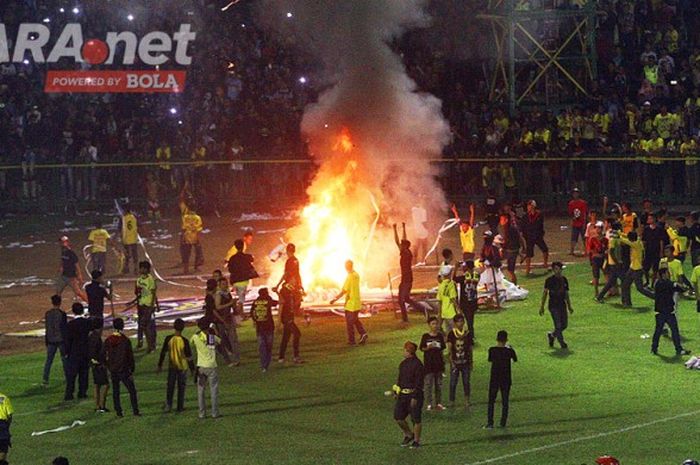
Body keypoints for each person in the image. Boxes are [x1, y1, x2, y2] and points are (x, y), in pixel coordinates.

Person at [103, 318, 140, 417]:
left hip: (113, 369)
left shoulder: (108, 340)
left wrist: (108, 366)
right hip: (123, 369)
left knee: (116, 391)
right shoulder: (125, 340)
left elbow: (103, 355)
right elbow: (130, 356)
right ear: (122, 326)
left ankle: (118, 411)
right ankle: (135, 411)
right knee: (132, 391)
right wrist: (131, 369)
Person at [273, 243, 304, 363]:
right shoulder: (286, 290)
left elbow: (295, 307)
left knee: (286, 336)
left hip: (289, 316)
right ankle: (296, 357)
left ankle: (281, 357)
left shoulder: (291, 289)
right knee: (297, 334)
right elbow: (282, 304)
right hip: (287, 318)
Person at [651, 267, 691, 356]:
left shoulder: (657, 284)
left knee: (658, 331)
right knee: (674, 331)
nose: (669, 274)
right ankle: (679, 349)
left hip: (659, 312)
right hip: (668, 312)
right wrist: (685, 288)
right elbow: (678, 288)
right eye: (667, 273)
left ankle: (654, 348)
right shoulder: (668, 284)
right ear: (664, 274)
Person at [157, 318, 195, 413]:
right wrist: (193, 369)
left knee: (170, 386)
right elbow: (189, 357)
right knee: (181, 387)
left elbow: (163, 353)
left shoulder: (168, 339)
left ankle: (168, 405)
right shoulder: (184, 341)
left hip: (172, 366)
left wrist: (160, 365)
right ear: (183, 328)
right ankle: (180, 407)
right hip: (182, 367)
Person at [393, 341, 424, 449]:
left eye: (404, 350)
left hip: (413, 395)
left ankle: (416, 440)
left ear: (408, 351)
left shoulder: (418, 365)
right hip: (403, 395)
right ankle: (409, 434)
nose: (403, 352)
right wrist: (396, 391)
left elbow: (419, 382)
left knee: (416, 418)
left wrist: (415, 396)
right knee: (398, 417)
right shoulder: (403, 364)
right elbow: (400, 379)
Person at [330, 260, 368, 345]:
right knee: (355, 320)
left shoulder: (350, 276)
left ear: (346, 267)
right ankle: (363, 333)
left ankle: (352, 341)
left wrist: (335, 298)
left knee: (350, 323)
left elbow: (344, 290)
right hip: (357, 302)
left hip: (351, 303)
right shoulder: (356, 275)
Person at [485, 330, 517, 429]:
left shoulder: (492, 350)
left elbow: (490, 360)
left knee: (491, 401)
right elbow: (515, 359)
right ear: (506, 339)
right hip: (506, 379)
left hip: (494, 378)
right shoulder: (509, 351)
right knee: (505, 401)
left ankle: (490, 423)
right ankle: (503, 422)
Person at [191, 318, 220, 418]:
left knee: (201, 390)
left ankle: (201, 413)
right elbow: (219, 342)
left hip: (201, 366)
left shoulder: (196, 336)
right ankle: (214, 413)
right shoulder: (211, 337)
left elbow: (191, 344)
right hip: (211, 366)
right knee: (213, 390)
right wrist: (214, 331)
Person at [540, 262, 574, 349]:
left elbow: (566, 294)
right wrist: (542, 307)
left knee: (564, 325)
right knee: (558, 325)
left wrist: (569, 306)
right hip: (553, 305)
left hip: (562, 305)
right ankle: (562, 342)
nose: (559, 271)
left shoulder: (564, 279)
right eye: (557, 268)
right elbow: (545, 294)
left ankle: (552, 335)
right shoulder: (549, 280)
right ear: (554, 270)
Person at [620, 231, 655, 307]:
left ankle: (656, 297)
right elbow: (626, 236)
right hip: (632, 268)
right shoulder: (638, 240)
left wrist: (618, 236)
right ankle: (627, 303)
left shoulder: (636, 244)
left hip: (637, 270)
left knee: (640, 288)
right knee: (625, 285)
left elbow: (625, 240)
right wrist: (620, 233)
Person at [64, 302, 91, 401]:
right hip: (84, 351)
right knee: (84, 374)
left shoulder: (70, 324)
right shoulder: (87, 322)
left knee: (71, 375)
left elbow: (67, 340)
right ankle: (82, 392)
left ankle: (69, 393)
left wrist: (66, 352)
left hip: (73, 352)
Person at [227, 238, 258, 321]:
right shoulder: (246, 257)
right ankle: (240, 314)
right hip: (243, 282)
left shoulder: (232, 258)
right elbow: (252, 259)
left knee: (240, 297)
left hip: (235, 281)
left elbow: (230, 269)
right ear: (243, 246)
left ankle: (240, 312)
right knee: (241, 299)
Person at [447, 314, 473, 409]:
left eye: (462, 321)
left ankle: (467, 400)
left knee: (466, 382)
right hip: (455, 362)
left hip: (465, 362)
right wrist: (451, 361)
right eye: (458, 321)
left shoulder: (467, 333)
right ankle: (451, 401)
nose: (460, 323)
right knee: (453, 382)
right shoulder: (451, 334)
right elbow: (449, 349)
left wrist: (471, 361)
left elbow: (470, 348)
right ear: (455, 323)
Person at [419, 317, 445, 411]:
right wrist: (428, 347)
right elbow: (422, 348)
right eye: (433, 324)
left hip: (438, 364)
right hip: (429, 364)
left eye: (436, 324)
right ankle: (429, 403)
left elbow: (442, 348)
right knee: (428, 384)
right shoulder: (425, 336)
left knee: (438, 384)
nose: (435, 326)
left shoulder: (440, 336)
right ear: (429, 325)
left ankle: (438, 403)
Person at [393, 223, 417, 323]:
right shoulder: (407, 251)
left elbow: (397, 241)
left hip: (406, 279)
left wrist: (394, 229)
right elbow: (402, 240)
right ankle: (421, 308)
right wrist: (403, 228)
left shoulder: (405, 253)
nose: (400, 245)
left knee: (401, 299)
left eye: (402, 245)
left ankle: (405, 319)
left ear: (405, 246)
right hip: (407, 278)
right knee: (406, 298)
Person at [596, 223, 624, 303]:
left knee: (611, 281)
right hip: (614, 264)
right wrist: (616, 262)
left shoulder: (616, 237)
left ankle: (600, 296)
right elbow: (611, 251)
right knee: (624, 280)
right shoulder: (612, 239)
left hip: (616, 263)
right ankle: (625, 299)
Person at [215, 277, 240, 366]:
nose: (225, 285)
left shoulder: (227, 293)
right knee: (223, 340)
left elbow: (232, 305)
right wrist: (230, 303)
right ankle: (228, 359)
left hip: (229, 318)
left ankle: (236, 359)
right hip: (221, 320)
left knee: (233, 339)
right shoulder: (218, 294)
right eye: (223, 284)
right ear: (219, 285)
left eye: (226, 284)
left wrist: (235, 307)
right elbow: (217, 307)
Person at [43, 295, 67, 386]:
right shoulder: (62, 314)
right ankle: (67, 377)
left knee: (49, 361)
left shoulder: (48, 313)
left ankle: (45, 379)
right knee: (64, 360)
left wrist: (47, 340)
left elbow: (47, 328)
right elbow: (64, 329)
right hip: (60, 339)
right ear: (60, 302)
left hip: (50, 340)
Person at [251, 288, 277, 372]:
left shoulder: (255, 302)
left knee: (262, 347)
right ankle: (266, 364)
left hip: (260, 328)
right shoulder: (268, 300)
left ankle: (263, 366)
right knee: (268, 347)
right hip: (269, 327)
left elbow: (252, 312)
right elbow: (280, 302)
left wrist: (255, 321)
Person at [135, 261, 159, 352]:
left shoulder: (151, 280)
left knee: (148, 326)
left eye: (142, 268)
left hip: (148, 306)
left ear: (146, 269)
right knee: (142, 326)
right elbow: (139, 293)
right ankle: (143, 343)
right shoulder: (139, 280)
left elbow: (153, 294)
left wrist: (152, 306)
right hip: (141, 305)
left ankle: (151, 346)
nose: (140, 269)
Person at [88, 318, 109, 413]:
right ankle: (102, 406)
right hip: (98, 364)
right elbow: (99, 352)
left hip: (93, 364)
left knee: (97, 385)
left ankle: (97, 406)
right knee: (105, 385)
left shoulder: (91, 336)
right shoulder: (97, 337)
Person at [56, 236, 87, 301]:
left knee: (78, 293)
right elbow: (62, 260)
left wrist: (79, 276)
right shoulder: (63, 251)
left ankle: (89, 303)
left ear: (67, 242)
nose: (61, 244)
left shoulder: (71, 253)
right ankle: (57, 307)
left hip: (71, 277)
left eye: (63, 242)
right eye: (61, 242)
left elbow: (76, 264)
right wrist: (60, 267)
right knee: (58, 293)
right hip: (63, 276)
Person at [522, 200, 549, 275]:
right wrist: (525, 236)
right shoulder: (525, 216)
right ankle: (527, 269)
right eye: (528, 206)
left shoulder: (539, 215)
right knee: (529, 253)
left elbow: (540, 225)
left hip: (537, 236)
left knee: (545, 249)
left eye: (530, 205)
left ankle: (545, 264)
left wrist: (541, 234)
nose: (528, 207)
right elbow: (523, 226)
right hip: (529, 236)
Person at [179, 196, 204, 275]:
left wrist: (182, 238)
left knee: (186, 253)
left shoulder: (185, 217)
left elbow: (183, 228)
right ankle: (196, 266)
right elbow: (199, 229)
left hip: (187, 237)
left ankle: (185, 269)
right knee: (198, 252)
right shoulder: (198, 218)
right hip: (195, 237)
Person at [454, 260, 479, 337]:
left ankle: (469, 335)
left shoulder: (463, 277)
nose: (463, 267)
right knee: (470, 320)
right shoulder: (477, 275)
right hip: (473, 301)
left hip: (465, 302)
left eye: (464, 266)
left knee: (466, 320)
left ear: (467, 267)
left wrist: (456, 268)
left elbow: (454, 278)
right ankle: (471, 334)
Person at [436, 267, 459, 334]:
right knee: (456, 331)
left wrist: (439, 313)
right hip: (451, 312)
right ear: (449, 274)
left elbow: (439, 301)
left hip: (444, 312)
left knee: (448, 331)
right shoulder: (451, 283)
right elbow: (453, 298)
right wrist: (458, 309)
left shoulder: (440, 285)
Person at [588, 221, 607, 297]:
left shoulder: (605, 239)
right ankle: (596, 293)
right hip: (595, 259)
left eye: (599, 228)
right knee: (596, 277)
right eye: (597, 228)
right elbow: (590, 250)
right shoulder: (592, 239)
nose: (597, 229)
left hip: (602, 259)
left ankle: (606, 291)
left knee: (606, 275)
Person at [119, 203, 139, 275]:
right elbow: (138, 225)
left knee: (126, 254)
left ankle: (126, 268)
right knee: (134, 254)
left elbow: (120, 228)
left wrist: (120, 237)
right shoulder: (134, 216)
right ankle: (136, 268)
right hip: (133, 238)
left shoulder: (123, 218)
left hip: (126, 239)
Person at [568, 188, 588, 255]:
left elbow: (584, 213)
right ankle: (572, 250)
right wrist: (573, 219)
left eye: (576, 193)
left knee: (584, 237)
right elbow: (571, 214)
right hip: (575, 223)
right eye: (574, 193)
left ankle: (586, 250)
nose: (575, 194)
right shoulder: (571, 203)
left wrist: (584, 223)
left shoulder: (583, 203)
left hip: (581, 222)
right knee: (573, 238)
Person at [0, 392, 12, 464]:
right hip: (2, 427)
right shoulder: (4, 398)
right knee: (2, 451)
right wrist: (6, 427)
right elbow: (10, 415)